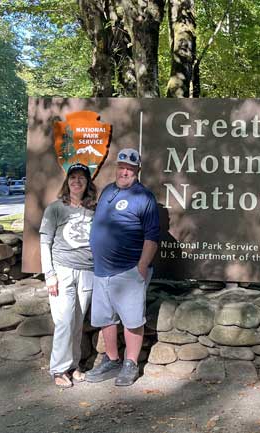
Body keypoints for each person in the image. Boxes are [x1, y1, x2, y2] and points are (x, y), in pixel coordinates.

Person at [86, 148, 159, 386]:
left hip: (128, 271)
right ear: (116, 168)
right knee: (106, 319)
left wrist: (141, 267)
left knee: (132, 320)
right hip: (101, 271)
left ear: (137, 171)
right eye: (121, 167)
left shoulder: (144, 197)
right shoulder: (108, 191)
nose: (124, 171)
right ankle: (112, 359)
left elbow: (151, 237)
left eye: (130, 168)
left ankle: (130, 364)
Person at [39, 163, 97, 388]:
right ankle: (58, 369)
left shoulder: (94, 209)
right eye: (73, 177)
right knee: (64, 321)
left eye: (81, 178)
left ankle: (73, 366)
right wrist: (49, 274)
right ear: (67, 182)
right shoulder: (55, 208)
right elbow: (45, 242)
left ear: (87, 183)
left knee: (77, 322)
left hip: (87, 271)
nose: (77, 181)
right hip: (62, 270)